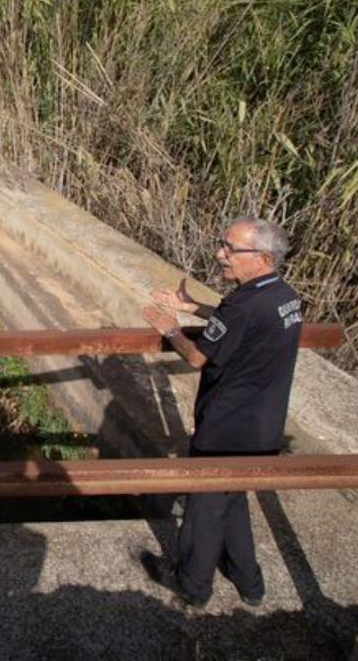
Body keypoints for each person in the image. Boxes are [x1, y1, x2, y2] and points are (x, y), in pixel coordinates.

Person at [140, 216, 303, 609]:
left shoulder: (243, 305)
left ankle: (192, 584)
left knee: (204, 508)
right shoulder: (285, 297)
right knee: (231, 499)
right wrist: (193, 306)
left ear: (262, 258)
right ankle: (249, 581)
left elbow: (198, 356)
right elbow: (241, 325)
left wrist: (170, 328)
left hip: (228, 426)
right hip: (263, 426)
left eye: (230, 249)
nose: (220, 254)